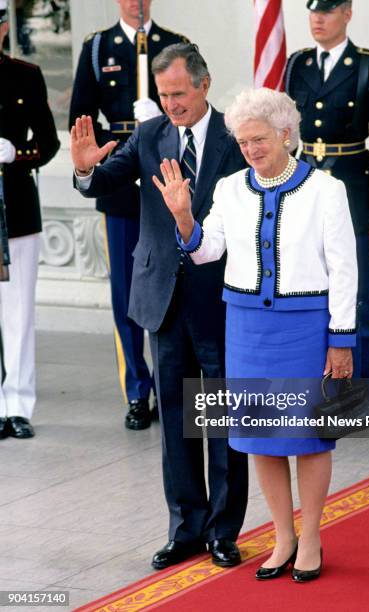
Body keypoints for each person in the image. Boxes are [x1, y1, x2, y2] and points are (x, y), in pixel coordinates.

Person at [155, 87, 357, 582]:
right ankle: (281, 536)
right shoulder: (227, 189)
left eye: (260, 139)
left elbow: (345, 269)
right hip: (246, 327)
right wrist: (184, 216)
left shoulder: (326, 189)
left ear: (286, 134)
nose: (250, 149)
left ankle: (310, 536)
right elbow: (206, 250)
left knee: (309, 439)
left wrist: (341, 339)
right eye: (243, 142)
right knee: (259, 439)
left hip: (306, 329)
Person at [71, 43, 248, 570]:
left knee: (218, 419)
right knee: (174, 420)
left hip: (217, 297)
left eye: (179, 93)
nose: (170, 103)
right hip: (163, 298)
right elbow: (103, 179)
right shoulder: (148, 136)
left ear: (204, 84)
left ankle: (222, 529)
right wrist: (84, 172)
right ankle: (185, 528)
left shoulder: (234, 140)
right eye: (163, 94)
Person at [69, 0, 190, 430]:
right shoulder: (99, 48)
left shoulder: (174, 45)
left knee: (176, 283)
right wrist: (116, 153)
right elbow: (81, 120)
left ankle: (172, 384)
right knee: (126, 291)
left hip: (168, 179)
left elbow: (191, 115)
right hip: (120, 180)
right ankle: (138, 390)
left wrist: (160, 124)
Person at [285, 0, 369, 379]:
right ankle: (322, 384)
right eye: (313, 12)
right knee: (312, 292)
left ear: (347, 13)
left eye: (328, 11)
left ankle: (362, 394)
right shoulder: (297, 64)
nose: (317, 19)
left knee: (360, 299)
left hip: (353, 189)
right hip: (306, 188)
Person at [0, 0, 60, 439]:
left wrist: (16, 157)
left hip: (16, 207)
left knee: (18, 311)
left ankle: (17, 405)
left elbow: (49, 142)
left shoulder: (25, 75)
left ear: (4, 28)